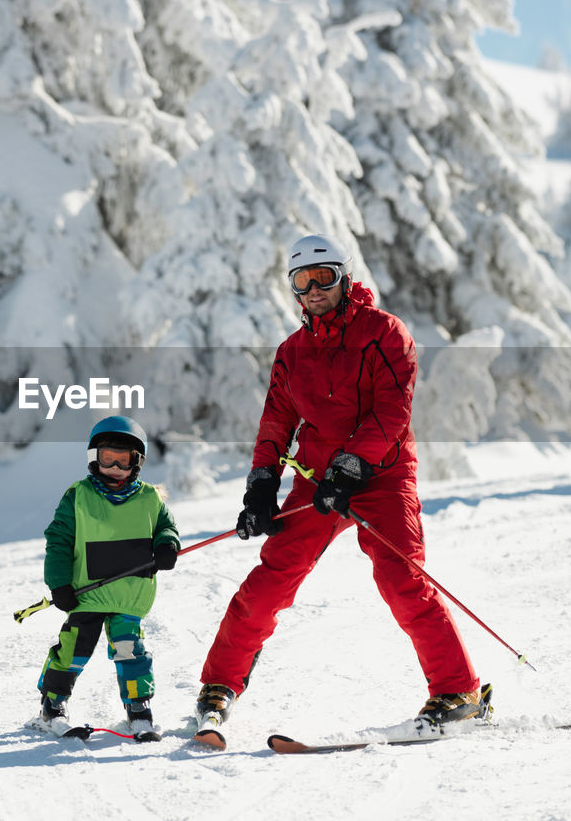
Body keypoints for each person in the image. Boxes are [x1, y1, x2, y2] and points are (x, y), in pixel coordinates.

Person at [194, 234, 483, 734]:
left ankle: (458, 691)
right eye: (301, 282)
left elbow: (392, 412)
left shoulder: (385, 333)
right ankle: (220, 684)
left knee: (401, 577)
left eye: (323, 277)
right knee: (270, 578)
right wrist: (262, 485)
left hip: (383, 474)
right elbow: (276, 424)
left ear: (344, 278)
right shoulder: (292, 352)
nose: (313, 290)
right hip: (316, 482)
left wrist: (350, 468)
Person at [36, 416, 181, 740]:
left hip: (129, 593)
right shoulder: (78, 496)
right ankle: (52, 706)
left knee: (131, 650)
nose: (115, 467)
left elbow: (165, 528)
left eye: (123, 460)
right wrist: (59, 584)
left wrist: (167, 546)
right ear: (94, 458)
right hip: (87, 592)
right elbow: (58, 541)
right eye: (107, 458)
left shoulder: (149, 498)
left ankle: (139, 711)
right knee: (74, 649)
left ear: (137, 462)